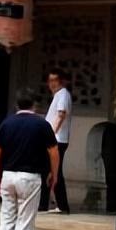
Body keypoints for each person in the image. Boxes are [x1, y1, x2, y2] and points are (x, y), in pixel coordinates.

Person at [0, 88, 60, 230]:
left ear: (17, 105)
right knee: (24, 221)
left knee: (7, 219)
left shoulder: (7, 123)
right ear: (35, 105)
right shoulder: (42, 124)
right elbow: (53, 151)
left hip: (8, 176)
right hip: (30, 177)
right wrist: (54, 175)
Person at [41, 68, 72, 214]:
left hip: (57, 139)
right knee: (50, 171)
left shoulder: (63, 94)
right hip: (55, 139)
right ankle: (47, 204)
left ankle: (61, 205)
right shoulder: (58, 95)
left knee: (55, 171)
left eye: (55, 80)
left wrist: (50, 135)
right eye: (50, 80)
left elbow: (61, 115)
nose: (51, 84)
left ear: (62, 81)